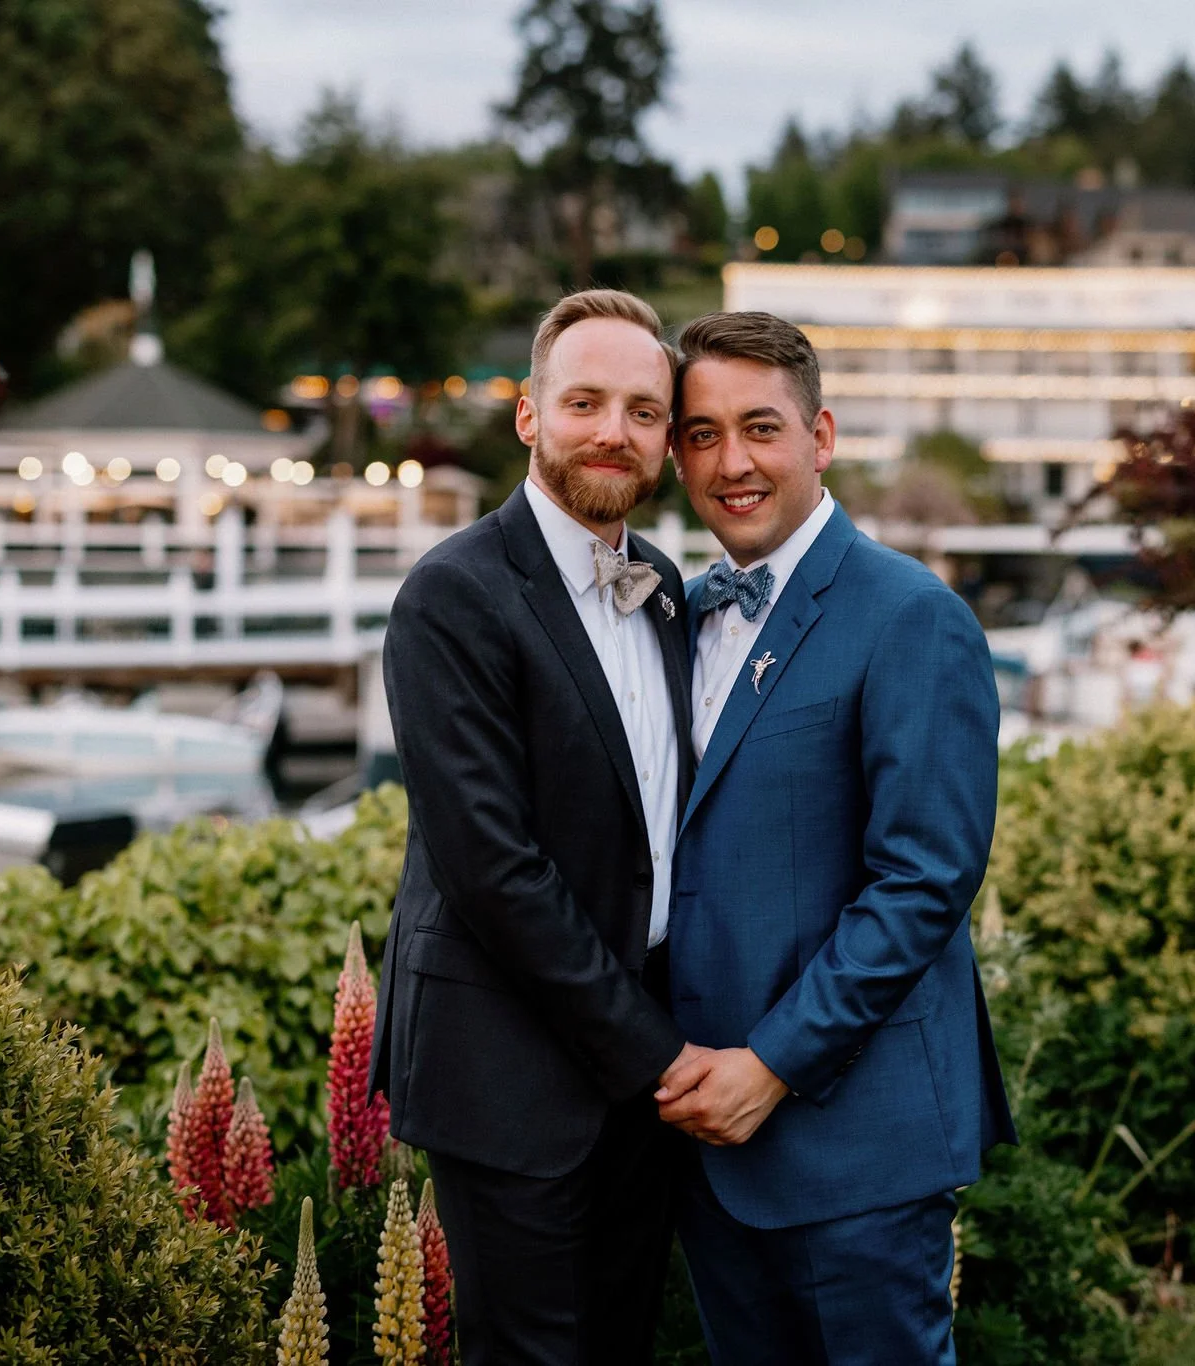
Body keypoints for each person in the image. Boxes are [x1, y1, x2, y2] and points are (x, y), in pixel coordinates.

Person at [656, 310, 1014, 1365]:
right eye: (702, 433)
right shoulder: (675, 619)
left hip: (854, 1140)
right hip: (704, 1144)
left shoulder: (910, 616)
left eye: (760, 428)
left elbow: (922, 882)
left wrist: (768, 1064)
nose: (733, 462)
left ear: (820, 438)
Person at [371, 289, 704, 1366]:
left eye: (643, 411)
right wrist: (658, 1056)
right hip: (509, 1065)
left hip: (644, 1068)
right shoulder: (452, 596)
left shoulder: (664, 594)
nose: (614, 431)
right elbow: (490, 868)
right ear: (528, 415)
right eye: (586, 402)